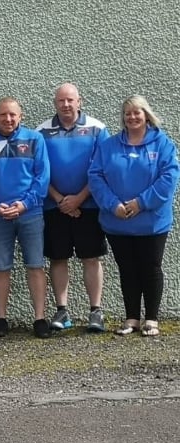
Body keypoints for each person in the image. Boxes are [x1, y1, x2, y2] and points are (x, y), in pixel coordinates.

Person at [88, 95, 179, 337]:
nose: (132, 117)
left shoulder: (163, 144)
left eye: (137, 112)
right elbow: (95, 177)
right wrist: (113, 205)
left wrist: (141, 203)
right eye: (128, 113)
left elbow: (169, 178)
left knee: (151, 268)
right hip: (118, 222)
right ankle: (131, 319)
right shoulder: (109, 145)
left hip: (152, 223)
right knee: (127, 270)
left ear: (146, 115)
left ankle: (151, 319)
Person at [36, 82, 110, 333]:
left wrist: (78, 199)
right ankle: (62, 311)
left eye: (71, 100)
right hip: (54, 206)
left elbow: (102, 169)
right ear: (55, 103)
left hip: (88, 206)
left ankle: (96, 312)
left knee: (91, 257)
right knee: (58, 258)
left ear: (80, 101)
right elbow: (39, 172)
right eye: (61, 101)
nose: (66, 105)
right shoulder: (41, 132)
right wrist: (60, 200)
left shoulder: (98, 129)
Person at [0, 97, 52, 339]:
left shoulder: (34, 139)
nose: (8, 119)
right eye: (3, 115)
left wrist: (24, 204)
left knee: (36, 265)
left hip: (30, 213)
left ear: (21, 116)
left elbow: (43, 176)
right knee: (1, 267)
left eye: (13, 115)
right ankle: (1, 319)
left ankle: (40, 318)